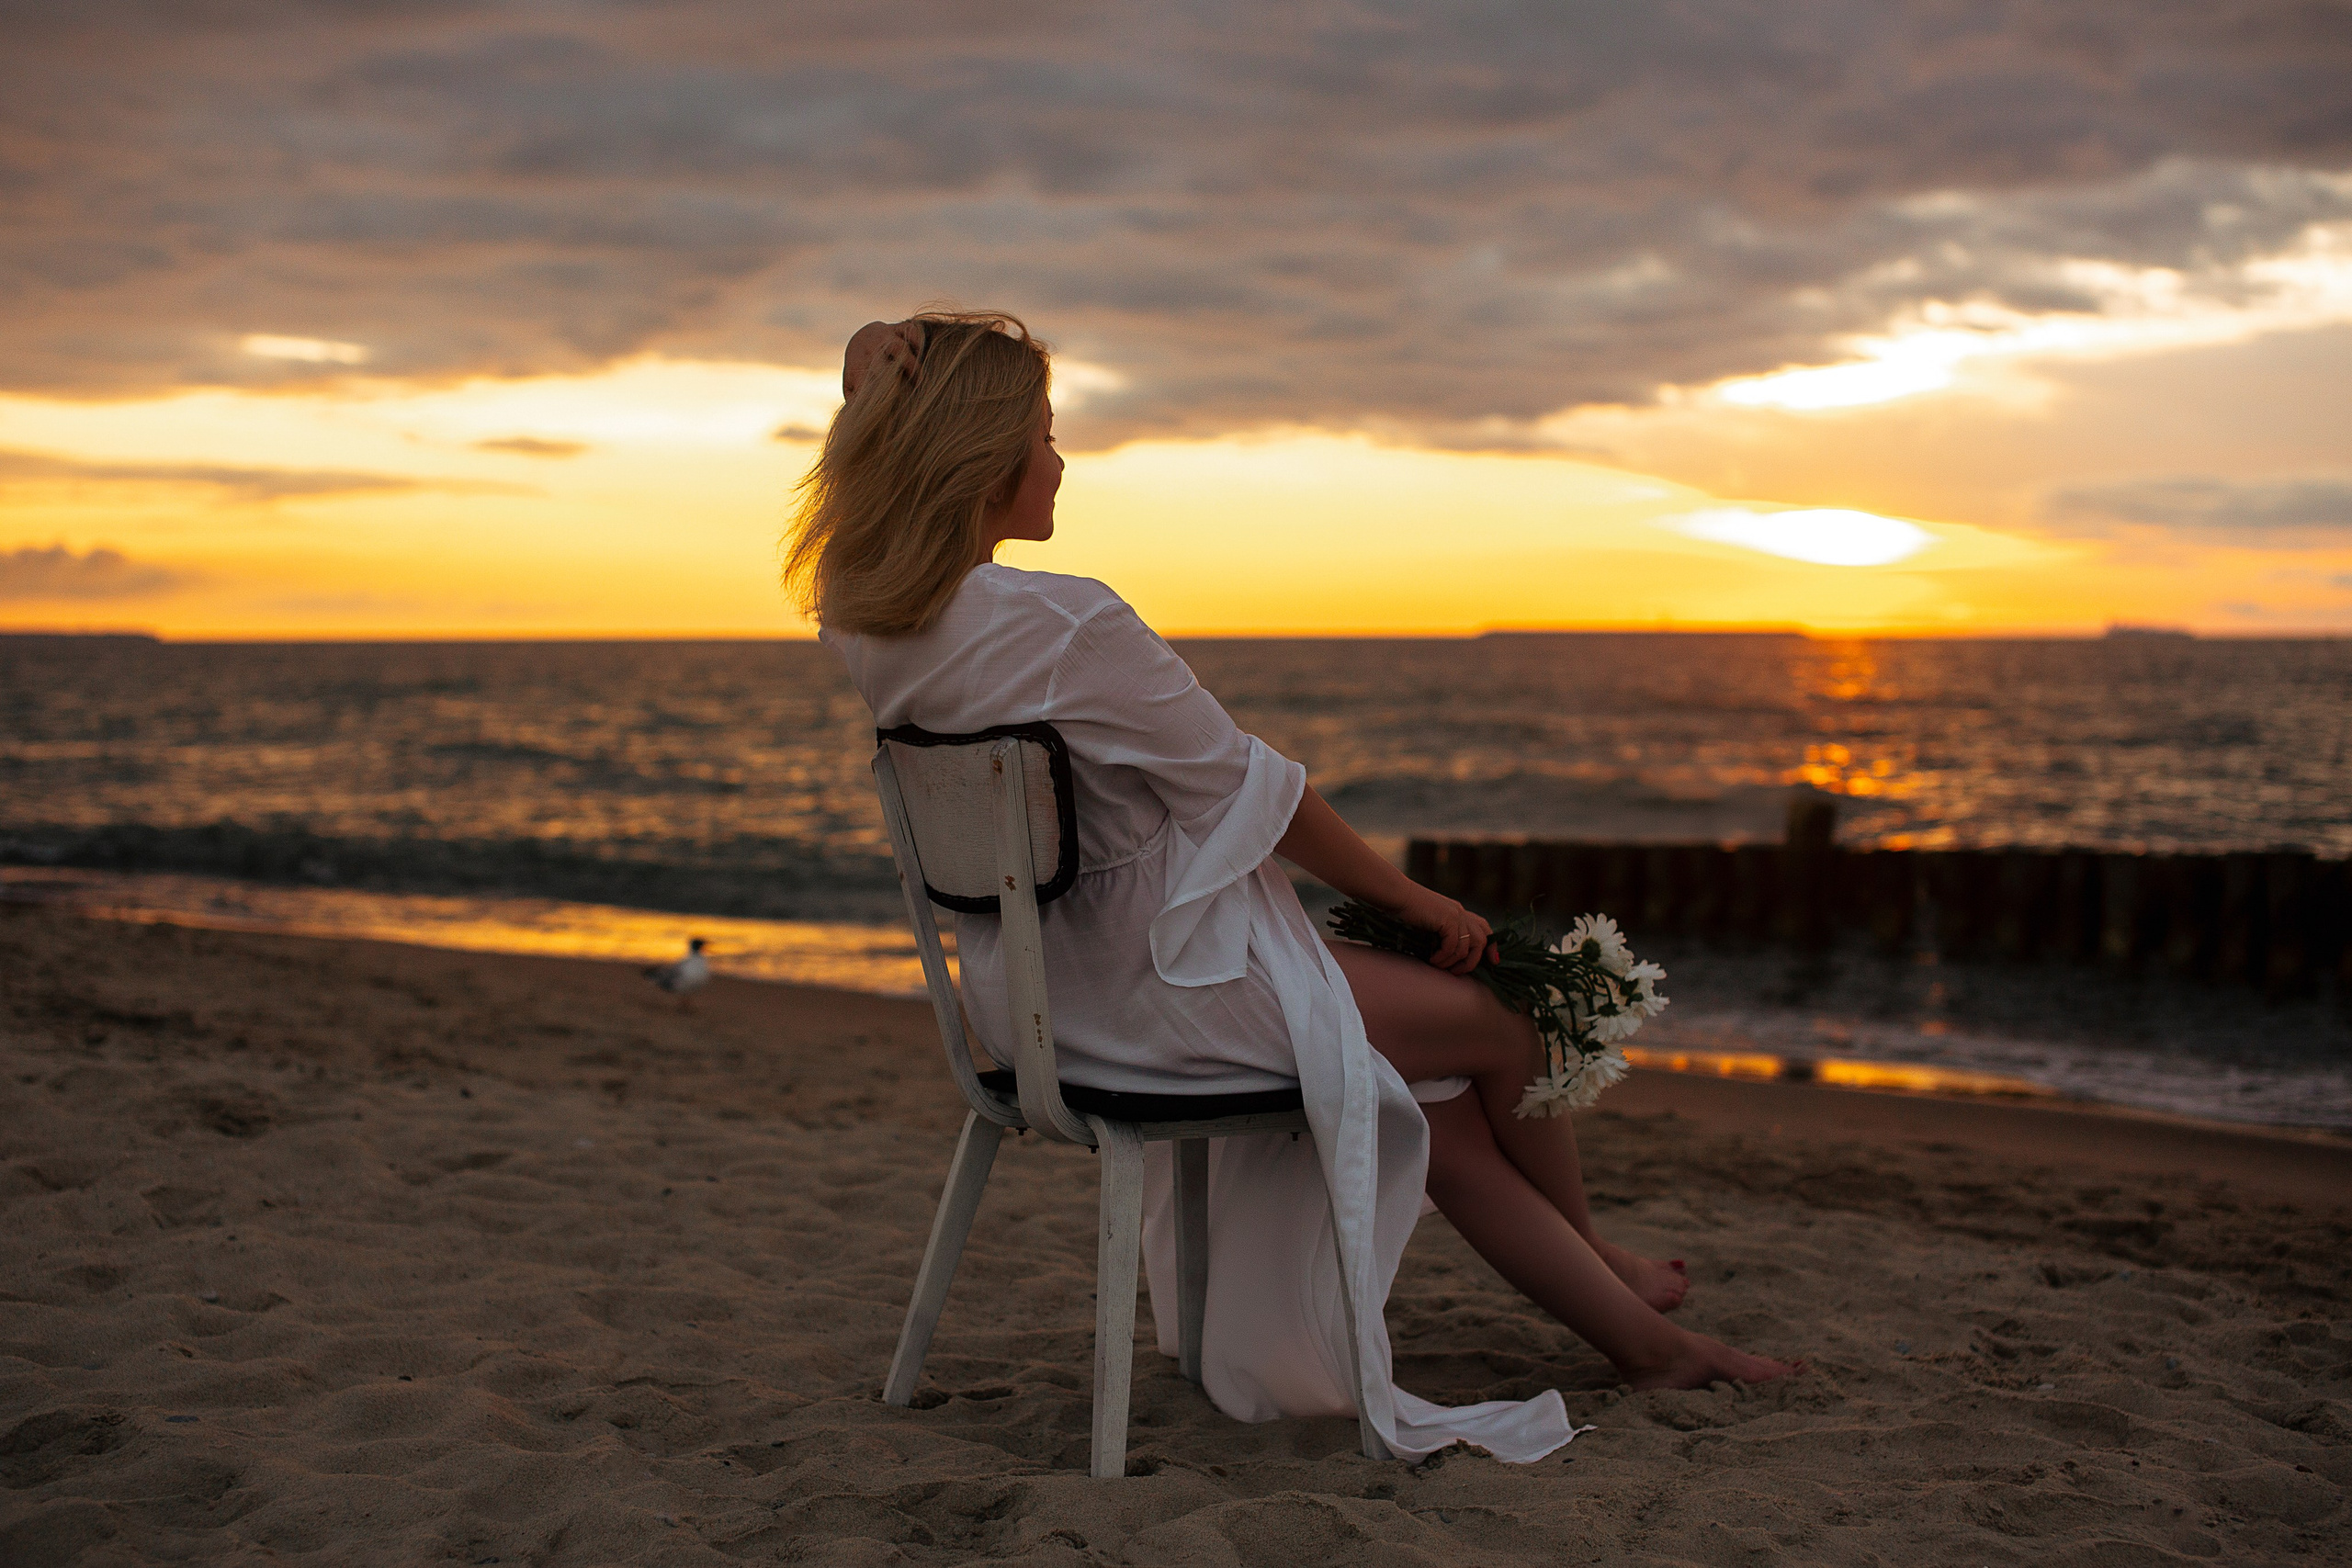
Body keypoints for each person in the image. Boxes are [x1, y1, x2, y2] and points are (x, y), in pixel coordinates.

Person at [793, 311, 1798, 1462]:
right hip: (1159, 1008)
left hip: (1033, 1016)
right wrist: (1425, 908)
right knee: (1505, 1023)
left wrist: (869, 368)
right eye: (1044, 434)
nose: (1059, 459)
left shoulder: (865, 617)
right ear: (980, 460)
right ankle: (1606, 1271)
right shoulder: (1072, 625)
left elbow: (855, 484)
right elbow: (1260, 793)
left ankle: (1626, 1313)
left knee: (1441, 1099)